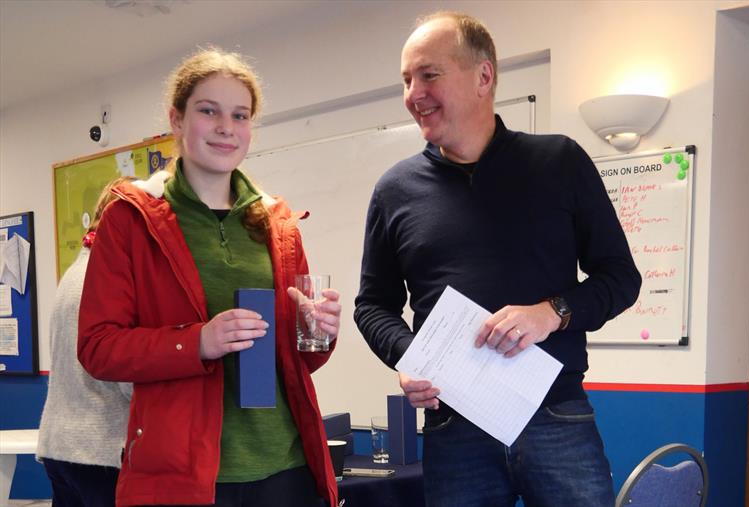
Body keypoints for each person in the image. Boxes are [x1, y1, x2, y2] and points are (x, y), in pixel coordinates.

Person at [354, 11, 641, 507]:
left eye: (429, 75)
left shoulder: (559, 162)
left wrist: (551, 313)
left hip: (557, 418)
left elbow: (621, 277)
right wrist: (408, 358)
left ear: (484, 76)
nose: (413, 94)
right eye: (406, 80)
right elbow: (372, 305)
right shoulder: (394, 191)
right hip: (453, 426)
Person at [77, 48, 341, 507]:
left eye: (240, 115)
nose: (226, 127)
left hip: (286, 468)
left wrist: (317, 331)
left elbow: (300, 361)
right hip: (184, 477)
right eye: (208, 111)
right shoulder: (130, 219)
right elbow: (97, 349)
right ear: (176, 120)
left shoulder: (278, 222)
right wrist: (196, 341)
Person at [37, 177, 135, 507]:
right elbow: (125, 375)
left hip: (60, 446)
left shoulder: (75, 273)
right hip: (99, 448)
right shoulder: (107, 281)